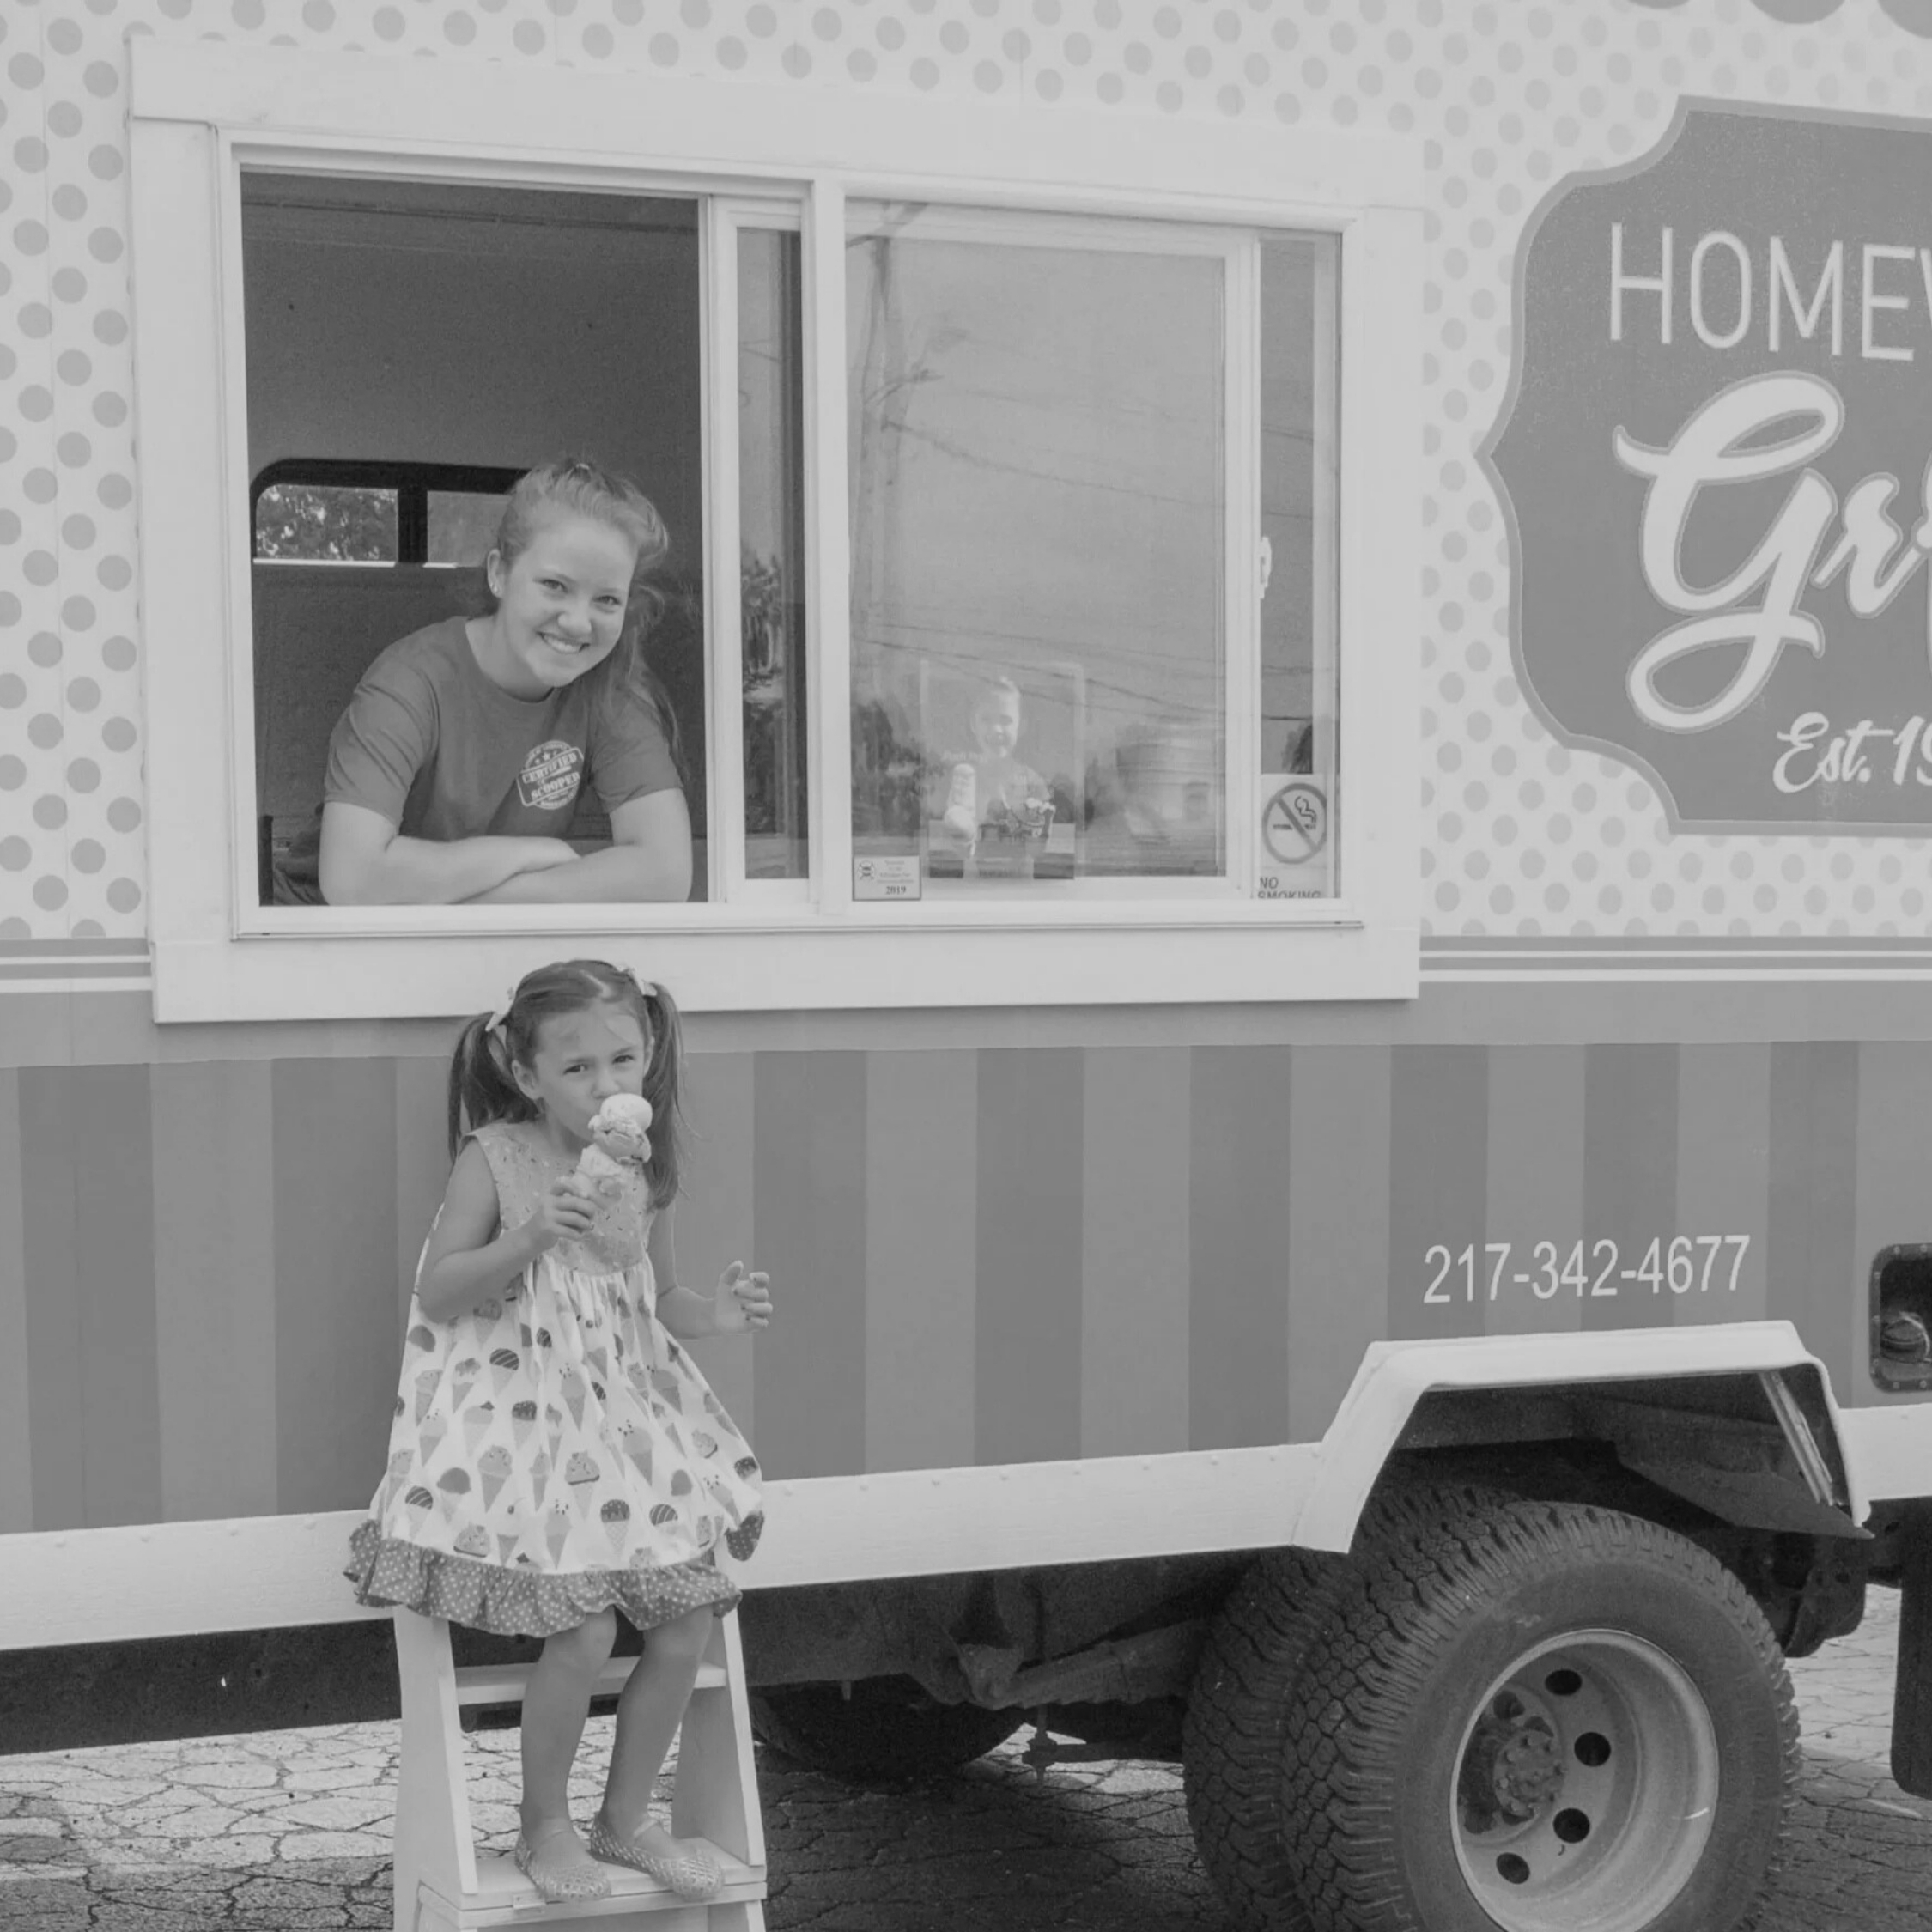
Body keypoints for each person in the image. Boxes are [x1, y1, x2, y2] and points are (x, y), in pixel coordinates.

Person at [345, 960, 769, 1905]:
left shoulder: (643, 1168)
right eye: (578, 1069)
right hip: (519, 1422)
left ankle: (626, 1821)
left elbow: (655, 1301)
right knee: (580, 1629)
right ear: (527, 1073)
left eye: (624, 1060)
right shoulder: (493, 1156)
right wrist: (533, 1233)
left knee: (688, 1616)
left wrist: (721, 1313)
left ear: (650, 1059)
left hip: (616, 1426)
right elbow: (443, 1291)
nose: (608, 1085)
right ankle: (547, 1827)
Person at [281, 458, 693, 906]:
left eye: (608, 599)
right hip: (318, 928)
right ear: (498, 573)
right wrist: (532, 853)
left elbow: (665, 873)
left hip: (474, 929)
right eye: (555, 585)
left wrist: (488, 900)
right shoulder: (409, 680)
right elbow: (352, 879)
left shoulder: (608, 690)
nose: (578, 622)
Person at [938, 676, 1054, 851]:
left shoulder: (1032, 783)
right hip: (973, 876)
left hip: (1021, 876)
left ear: (1021, 726)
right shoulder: (965, 781)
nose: (996, 729)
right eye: (986, 720)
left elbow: (1041, 845)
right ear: (973, 724)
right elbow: (953, 841)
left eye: (1005, 720)